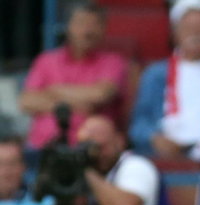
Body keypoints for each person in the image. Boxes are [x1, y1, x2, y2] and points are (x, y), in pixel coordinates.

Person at [129, 0, 200, 162]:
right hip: (165, 154)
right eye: (188, 28)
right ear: (175, 33)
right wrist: (154, 138)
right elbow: (139, 123)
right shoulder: (155, 74)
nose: (196, 33)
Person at [18, 1, 131, 150]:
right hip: (42, 148)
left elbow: (100, 95)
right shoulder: (46, 60)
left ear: (104, 29)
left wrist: (53, 91)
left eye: (94, 24)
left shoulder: (113, 62)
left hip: (91, 150)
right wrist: (79, 104)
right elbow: (27, 101)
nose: (87, 31)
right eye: (81, 23)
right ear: (68, 27)